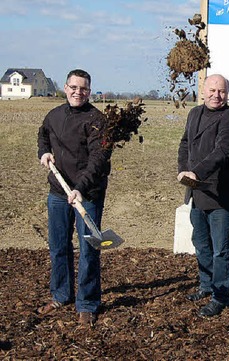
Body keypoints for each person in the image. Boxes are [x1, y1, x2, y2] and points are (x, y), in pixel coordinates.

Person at [36, 69, 112, 326]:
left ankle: (87, 303)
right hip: (58, 192)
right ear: (65, 87)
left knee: (89, 250)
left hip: (87, 194)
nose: (78, 92)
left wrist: (80, 187)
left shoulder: (97, 121)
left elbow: (98, 160)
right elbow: (43, 134)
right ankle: (60, 294)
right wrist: (44, 152)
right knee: (59, 246)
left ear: (89, 92)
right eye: (73, 87)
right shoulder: (54, 115)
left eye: (83, 89)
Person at [177, 74, 229, 317]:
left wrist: (196, 172)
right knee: (201, 244)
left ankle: (220, 296)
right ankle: (206, 285)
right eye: (213, 90)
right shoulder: (194, 114)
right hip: (197, 192)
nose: (217, 95)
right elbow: (185, 144)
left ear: (227, 93)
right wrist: (184, 171)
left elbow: (222, 152)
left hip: (221, 194)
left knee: (221, 250)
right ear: (203, 90)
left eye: (222, 91)